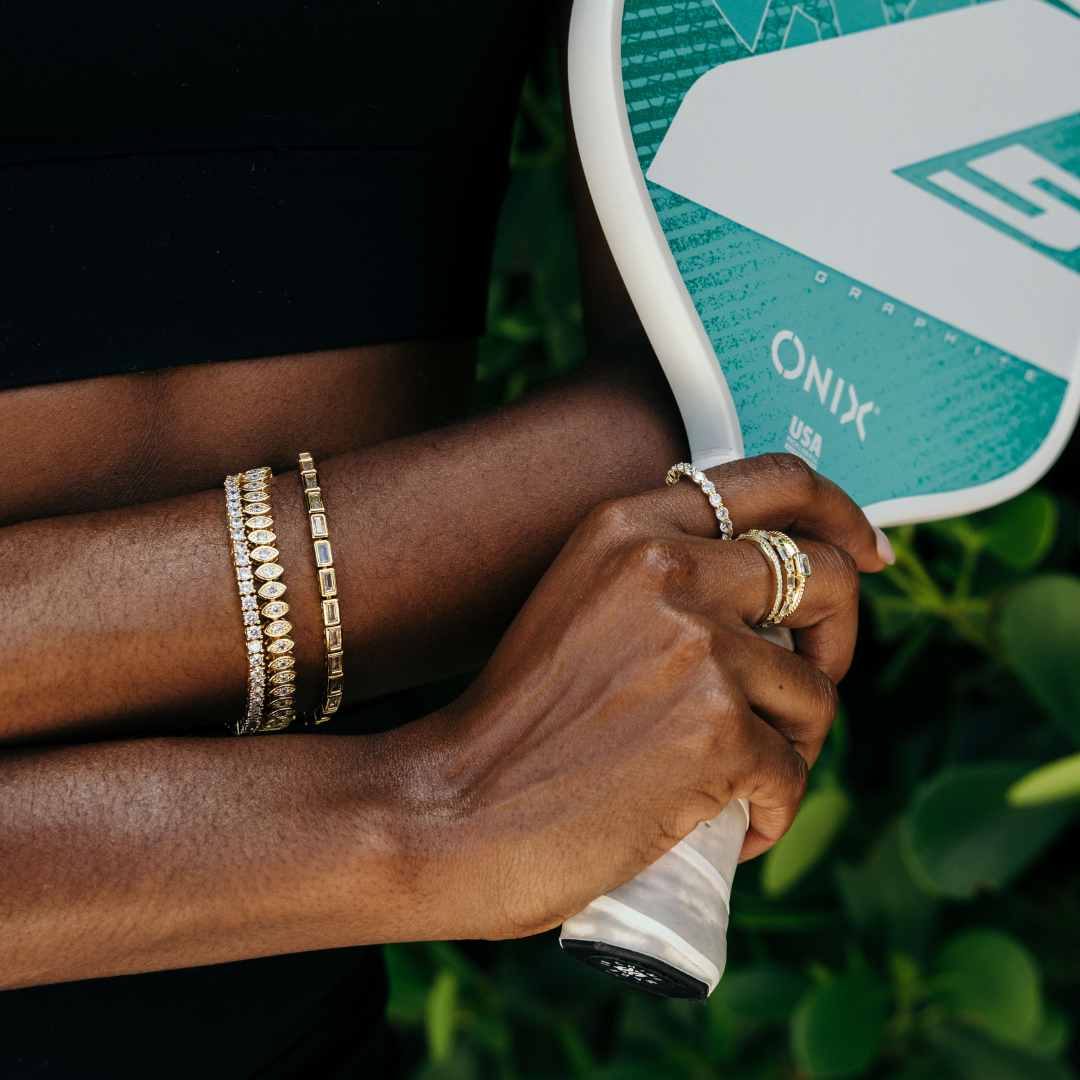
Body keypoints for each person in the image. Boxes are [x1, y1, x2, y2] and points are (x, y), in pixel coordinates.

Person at [0, 1, 892, 1076]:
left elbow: (775, 373)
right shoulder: (419, 815)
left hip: (290, 1027)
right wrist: (421, 813)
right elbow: (711, 475)